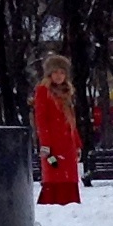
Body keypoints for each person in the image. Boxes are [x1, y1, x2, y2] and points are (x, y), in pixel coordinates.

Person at [32, 54, 81, 206]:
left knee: (69, 178)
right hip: (52, 145)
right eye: (56, 72)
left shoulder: (67, 94)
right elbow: (41, 119)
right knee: (54, 172)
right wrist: (45, 144)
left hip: (68, 145)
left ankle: (70, 204)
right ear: (49, 74)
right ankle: (52, 206)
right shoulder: (43, 91)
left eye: (62, 72)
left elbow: (72, 122)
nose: (59, 76)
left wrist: (77, 144)